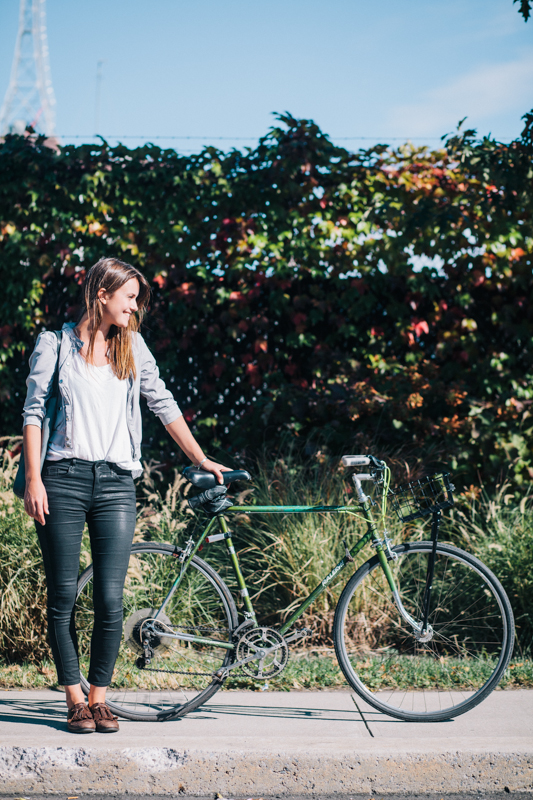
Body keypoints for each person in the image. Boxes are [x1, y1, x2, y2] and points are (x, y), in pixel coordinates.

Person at [22, 256, 228, 733]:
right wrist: (33, 479)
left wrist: (201, 459)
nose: (135, 308)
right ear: (102, 295)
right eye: (130, 298)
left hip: (116, 484)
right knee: (63, 598)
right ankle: (73, 698)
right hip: (63, 480)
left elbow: (163, 403)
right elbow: (33, 413)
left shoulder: (131, 346)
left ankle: (99, 698)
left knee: (111, 601)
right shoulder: (55, 346)